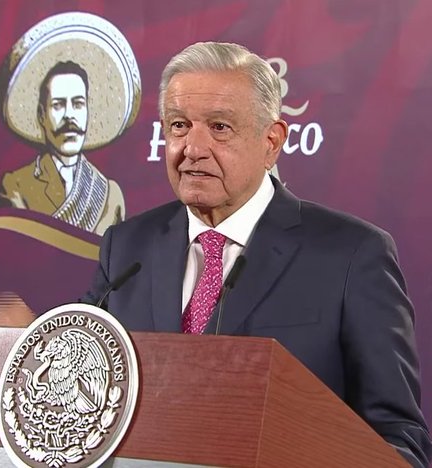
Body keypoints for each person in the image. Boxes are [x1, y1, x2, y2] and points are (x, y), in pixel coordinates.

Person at [82, 41, 431, 467]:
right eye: (178, 125)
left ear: (272, 141)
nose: (192, 148)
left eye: (219, 127)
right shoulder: (126, 248)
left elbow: (399, 441)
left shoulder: (352, 255)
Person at [0, 61, 125, 235]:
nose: (69, 116)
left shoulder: (110, 195)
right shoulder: (16, 186)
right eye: (58, 105)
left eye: (78, 104)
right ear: (41, 115)